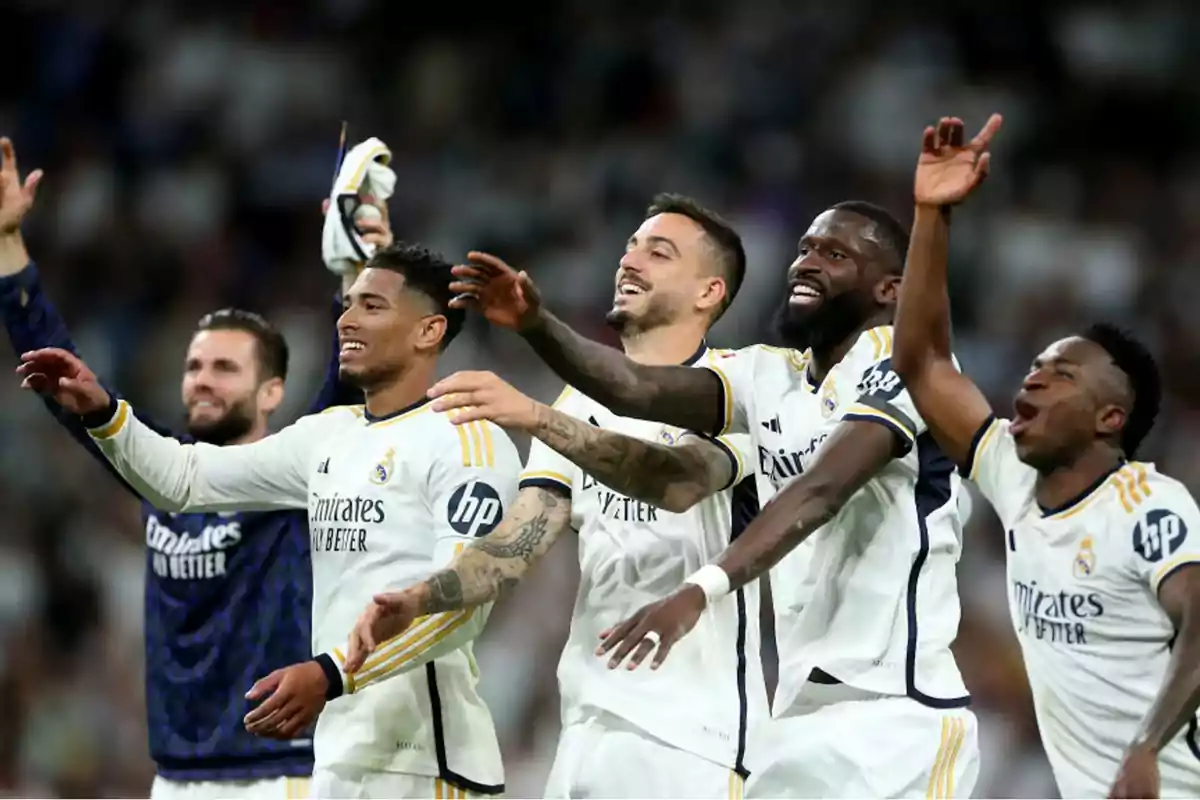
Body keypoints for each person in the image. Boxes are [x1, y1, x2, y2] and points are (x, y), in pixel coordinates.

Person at [431, 195, 983, 797]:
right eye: (804, 249)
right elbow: (635, 389)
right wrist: (539, 325)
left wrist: (699, 589)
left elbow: (821, 489)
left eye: (836, 254)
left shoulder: (902, 363)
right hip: (798, 715)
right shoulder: (768, 378)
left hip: (899, 712)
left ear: (888, 290)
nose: (808, 262)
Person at [15, 242, 521, 799]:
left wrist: (332, 673)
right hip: (338, 757)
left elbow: (462, 602)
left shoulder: (468, 437)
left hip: (427, 763)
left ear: (428, 332)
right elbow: (184, 479)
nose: (347, 319)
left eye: (372, 306)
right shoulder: (327, 435)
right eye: (348, 304)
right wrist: (103, 411)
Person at [345, 194, 767, 799]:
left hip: (695, 739)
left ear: (709, 292)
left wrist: (537, 417)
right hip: (586, 727)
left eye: (659, 251)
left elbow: (674, 482)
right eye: (629, 246)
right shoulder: (580, 405)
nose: (631, 260)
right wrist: (418, 598)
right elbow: (516, 546)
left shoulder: (745, 391)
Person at [0, 137, 367, 799]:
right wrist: (8, 247)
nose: (201, 380)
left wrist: (355, 270)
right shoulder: (157, 467)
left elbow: (349, 377)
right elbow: (61, 381)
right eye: (194, 365)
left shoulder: (295, 467)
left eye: (225, 368)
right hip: (174, 776)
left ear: (272, 393)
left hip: (275, 774)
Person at [891, 114, 1200, 799]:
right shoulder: (1011, 476)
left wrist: (1147, 746)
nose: (1031, 379)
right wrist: (931, 215)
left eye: (1060, 375)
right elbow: (922, 361)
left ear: (1109, 419)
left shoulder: (1148, 506)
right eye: (1034, 366)